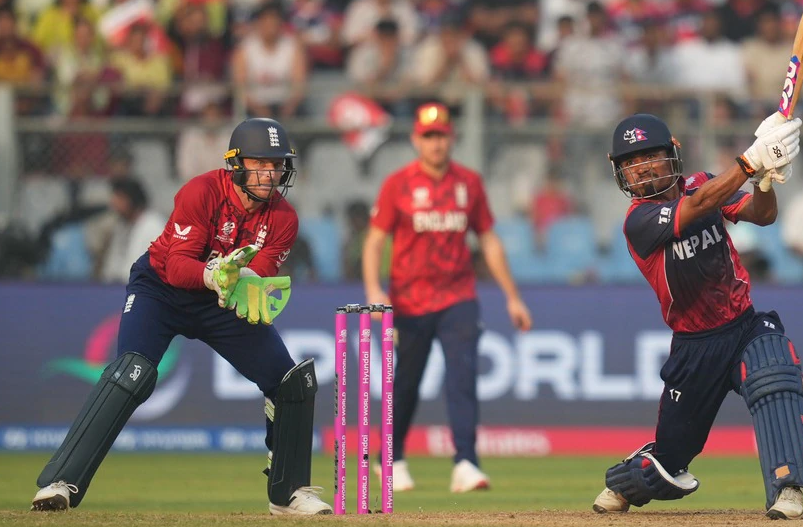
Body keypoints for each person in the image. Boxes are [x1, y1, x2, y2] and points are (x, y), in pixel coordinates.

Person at [30, 118, 332, 516]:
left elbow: (256, 277)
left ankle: (288, 492)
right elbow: (176, 267)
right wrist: (212, 273)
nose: (271, 173)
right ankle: (59, 483)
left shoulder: (284, 219)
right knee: (130, 374)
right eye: (261, 163)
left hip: (221, 301)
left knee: (289, 383)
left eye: (277, 165)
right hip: (162, 290)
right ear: (237, 164)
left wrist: (245, 281)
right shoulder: (202, 191)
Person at [591, 112, 803, 520]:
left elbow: (762, 215)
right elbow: (698, 206)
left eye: (649, 157)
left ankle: (788, 487)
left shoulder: (701, 182)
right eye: (630, 163)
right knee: (669, 462)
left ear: (672, 155)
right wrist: (750, 161)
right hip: (694, 346)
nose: (640, 169)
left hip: (744, 324)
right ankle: (627, 479)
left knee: (775, 377)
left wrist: (764, 178)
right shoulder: (638, 221)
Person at [362, 102, 533, 493]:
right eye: (428, 136)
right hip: (409, 301)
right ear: (415, 139)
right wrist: (374, 289)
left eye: (441, 135)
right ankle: (391, 457)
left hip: (458, 297)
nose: (436, 144)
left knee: (463, 376)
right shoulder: (397, 184)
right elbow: (374, 242)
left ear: (451, 137)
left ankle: (466, 463)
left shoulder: (469, 183)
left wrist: (513, 297)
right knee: (406, 382)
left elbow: (488, 239)